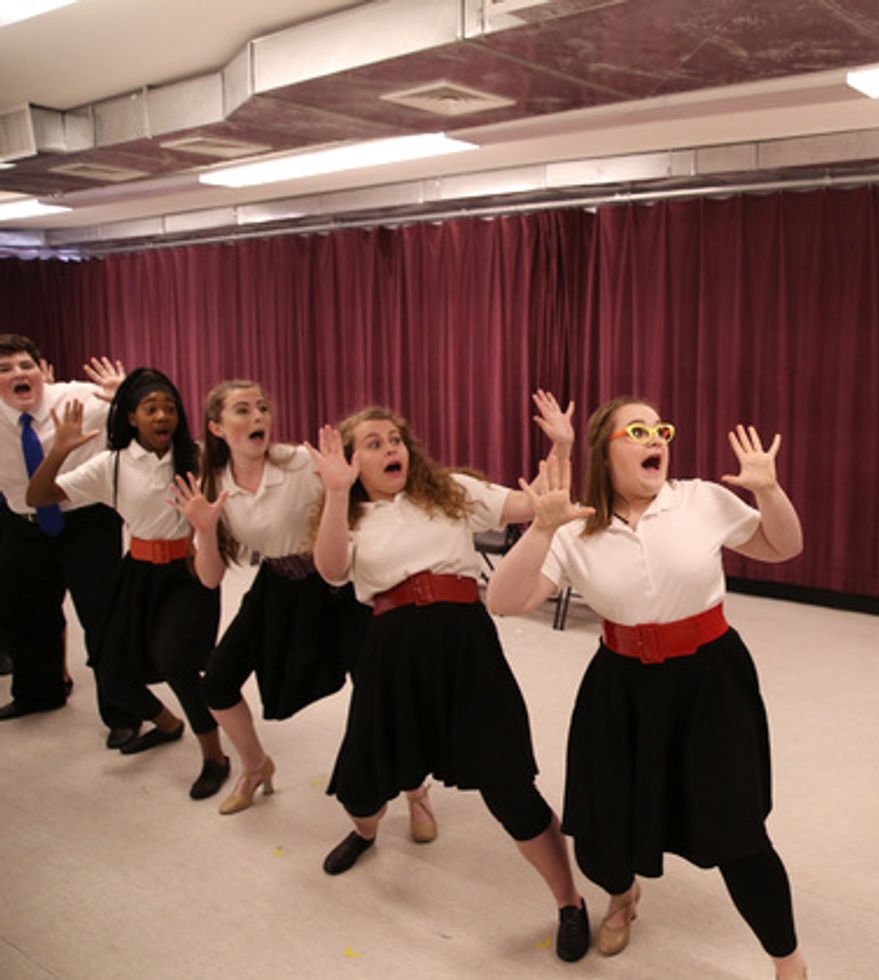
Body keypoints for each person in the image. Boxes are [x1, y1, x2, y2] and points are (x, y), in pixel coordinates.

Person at [485, 397, 808, 979]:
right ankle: (621, 896)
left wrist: (769, 491)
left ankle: (787, 960)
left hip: (710, 681)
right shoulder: (576, 524)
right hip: (621, 686)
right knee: (605, 829)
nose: (655, 437)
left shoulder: (700, 500)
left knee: (737, 831)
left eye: (661, 427)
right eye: (636, 429)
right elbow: (504, 602)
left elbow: (784, 546)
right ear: (603, 452)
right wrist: (540, 528)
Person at [306, 397, 590, 963]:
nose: (392, 449)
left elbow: (529, 502)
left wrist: (561, 446)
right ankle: (367, 834)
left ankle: (570, 902)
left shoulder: (451, 492)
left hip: (465, 647)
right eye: (375, 444)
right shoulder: (350, 514)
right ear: (351, 462)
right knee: (363, 786)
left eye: (395, 440)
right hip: (391, 655)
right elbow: (331, 570)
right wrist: (337, 493)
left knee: (509, 786)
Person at [166, 380, 370, 816]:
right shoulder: (214, 481)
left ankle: (414, 792)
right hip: (277, 585)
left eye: (262, 407)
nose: (258, 416)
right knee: (217, 683)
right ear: (217, 428)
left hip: (338, 586)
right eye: (243, 410)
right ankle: (256, 767)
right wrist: (204, 530)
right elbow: (209, 579)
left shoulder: (299, 463)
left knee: (377, 687)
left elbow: (358, 504)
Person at [27, 368, 230, 800]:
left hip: (187, 573)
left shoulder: (196, 458)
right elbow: (38, 497)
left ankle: (215, 755)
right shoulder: (112, 464)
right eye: (151, 408)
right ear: (132, 417)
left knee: (176, 662)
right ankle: (167, 725)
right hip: (137, 572)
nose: (162, 416)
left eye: (170, 408)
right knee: (111, 672)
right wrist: (59, 450)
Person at [0, 337, 139, 744]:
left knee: (103, 617)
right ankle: (39, 692)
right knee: (26, 614)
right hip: (21, 523)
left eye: (25, 365)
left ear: (43, 370)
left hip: (87, 522)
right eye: (4, 369)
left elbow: (155, 419)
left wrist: (126, 397)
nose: (17, 374)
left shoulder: (83, 397)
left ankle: (123, 710)